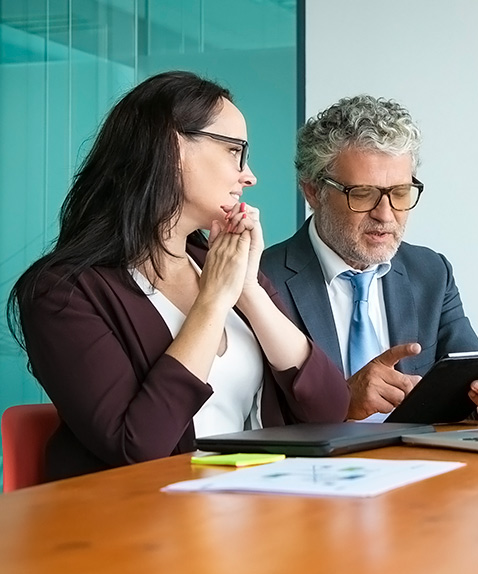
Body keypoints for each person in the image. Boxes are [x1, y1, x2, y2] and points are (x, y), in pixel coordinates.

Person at [6, 71, 350, 482]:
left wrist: (248, 292)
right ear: (173, 148)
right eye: (234, 151)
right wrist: (211, 302)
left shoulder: (219, 264)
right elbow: (138, 446)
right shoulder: (64, 292)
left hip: (260, 510)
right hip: (147, 527)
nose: (249, 175)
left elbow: (331, 409)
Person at [260, 95, 478, 423]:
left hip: (419, 467)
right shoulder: (261, 281)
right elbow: (254, 419)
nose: (386, 215)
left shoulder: (431, 273)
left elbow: (470, 385)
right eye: (363, 194)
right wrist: (341, 403)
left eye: (401, 193)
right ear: (312, 192)